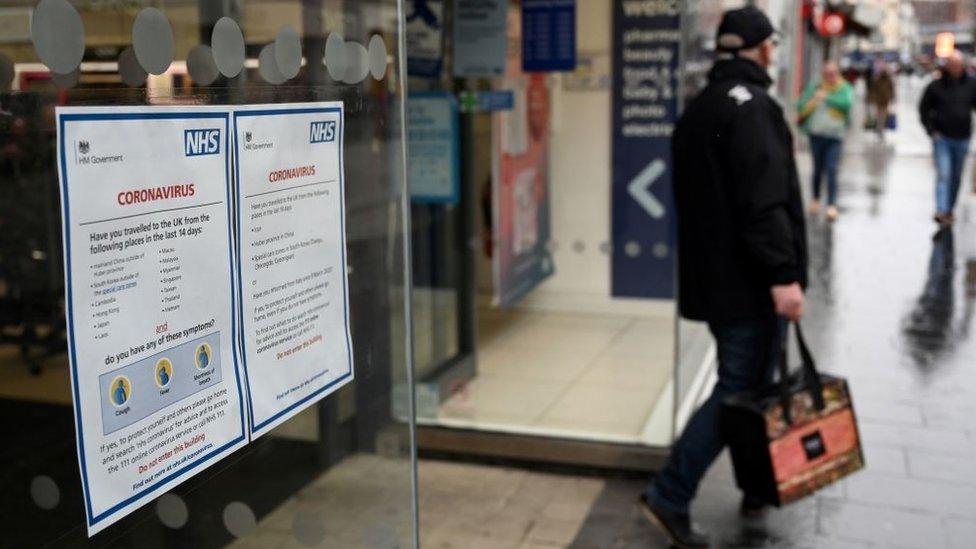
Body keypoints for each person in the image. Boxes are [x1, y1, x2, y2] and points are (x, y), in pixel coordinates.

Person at [637, 6, 808, 549]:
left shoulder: (700, 108)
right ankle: (669, 495)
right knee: (737, 389)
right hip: (750, 284)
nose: (774, 54)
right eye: (772, 46)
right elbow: (764, 204)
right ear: (761, 50)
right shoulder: (753, 110)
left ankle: (755, 487)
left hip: (713, 282)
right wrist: (783, 276)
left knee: (747, 388)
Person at [919, 50, 976, 226]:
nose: (955, 68)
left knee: (956, 176)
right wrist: (931, 131)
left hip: (962, 137)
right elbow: (923, 108)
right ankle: (941, 209)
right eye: (952, 65)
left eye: (958, 65)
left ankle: (950, 209)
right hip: (942, 137)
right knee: (944, 174)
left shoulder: (971, 84)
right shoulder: (936, 85)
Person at [797, 62, 854, 221]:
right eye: (827, 74)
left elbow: (847, 104)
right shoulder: (815, 87)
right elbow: (801, 105)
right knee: (817, 169)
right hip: (816, 135)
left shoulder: (844, 88)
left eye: (833, 73)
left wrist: (827, 97)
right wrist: (814, 98)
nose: (830, 77)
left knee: (832, 169)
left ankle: (831, 205)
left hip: (835, 136)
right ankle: (815, 199)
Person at [867, 63, 896, 138]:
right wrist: (871, 98)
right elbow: (873, 90)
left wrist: (892, 97)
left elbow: (892, 90)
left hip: (885, 100)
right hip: (879, 100)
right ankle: (879, 128)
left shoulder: (888, 80)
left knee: (883, 115)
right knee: (879, 115)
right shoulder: (877, 80)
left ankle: (881, 128)